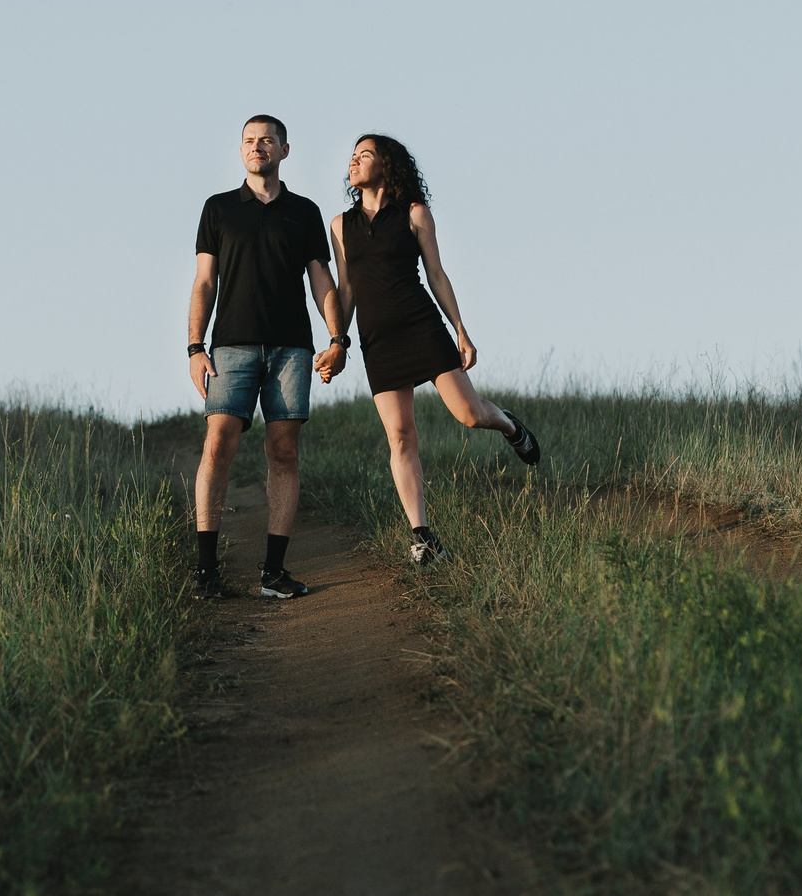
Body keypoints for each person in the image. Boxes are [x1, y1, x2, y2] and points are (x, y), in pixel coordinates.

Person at [329, 133, 540, 565]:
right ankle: (423, 536)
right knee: (400, 436)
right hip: (378, 340)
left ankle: (508, 424)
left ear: (387, 165)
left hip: (421, 326)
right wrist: (339, 342)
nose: (354, 162)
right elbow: (346, 289)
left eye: (364, 155)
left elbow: (437, 274)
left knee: (468, 414)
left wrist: (461, 329)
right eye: (352, 156)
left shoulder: (414, 214)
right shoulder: (340, 225)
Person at [189, 115, 349, 599]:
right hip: (231, 346)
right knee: (218, 443)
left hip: (291, 349)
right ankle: (205, 571)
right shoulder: (218, 209)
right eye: (249, 141)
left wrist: (338, 338)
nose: (257, 147)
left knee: (284, 452)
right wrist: (195, 347)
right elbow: (204, 281)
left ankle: (273, 573)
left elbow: (320, 278)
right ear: (242, 151)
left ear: (284, 150)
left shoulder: (304, 212)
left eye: (267, 141)